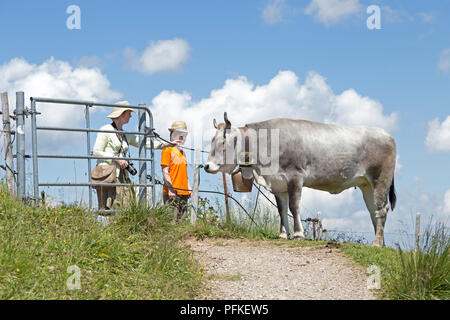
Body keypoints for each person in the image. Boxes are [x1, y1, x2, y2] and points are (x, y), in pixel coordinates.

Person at [93, 101, 169, 211]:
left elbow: (142, 143)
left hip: (122, 173)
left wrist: (164, 144)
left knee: (127, 201)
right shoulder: (106, 130)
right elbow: (97, 151)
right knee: (115, 203)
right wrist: (116, 159)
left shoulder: (125, 134)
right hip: (109, 173)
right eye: (129, 113)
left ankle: (122, 226)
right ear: (122, 114)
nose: (131, 116)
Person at [161, 121, 191, 220]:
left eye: (183, 136)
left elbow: (185, 173)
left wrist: (189, 187)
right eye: (179, 135)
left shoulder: (182, 153)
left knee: (182, 221)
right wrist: (170, 189)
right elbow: (165, 171)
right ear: (172, 135)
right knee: (171, 222)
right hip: (172, 193)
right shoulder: (167, 150)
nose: (181, 138)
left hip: (184, 193)